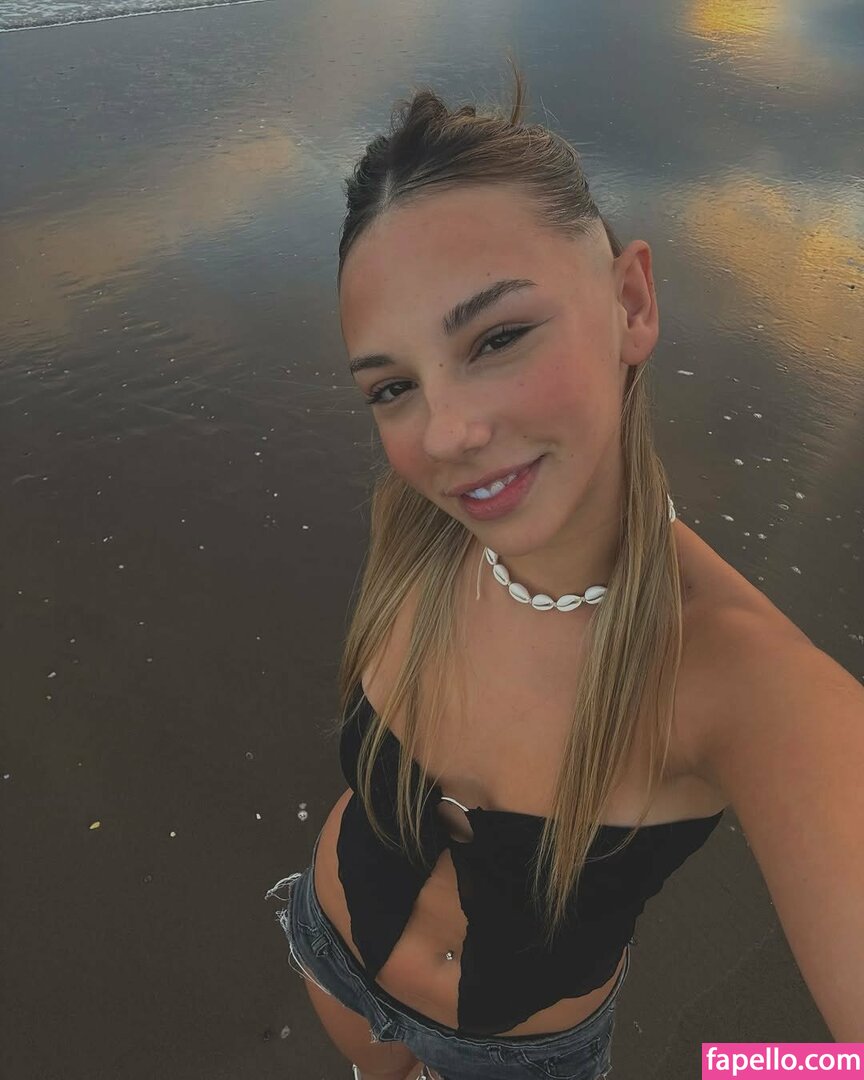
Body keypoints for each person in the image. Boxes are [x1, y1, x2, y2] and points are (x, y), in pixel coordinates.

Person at [266, 62, 864, 1079]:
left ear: (631, 300)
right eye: (393, 388)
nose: (446, 435)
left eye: (497, 336)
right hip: (334, 957)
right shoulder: (412, 527)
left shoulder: (744, 681)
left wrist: (752, 1066)